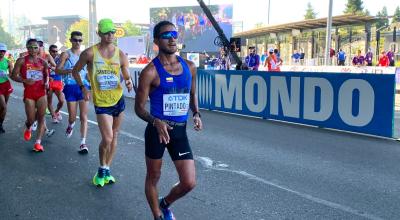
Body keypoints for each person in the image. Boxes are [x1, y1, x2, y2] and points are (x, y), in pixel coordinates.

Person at [135, 20, 202, 220]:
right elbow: (138, 108)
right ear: (156, 41)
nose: (172, 38)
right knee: (153, 177)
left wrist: (196, 113)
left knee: (189, 182)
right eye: (166, 35)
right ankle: (157, 214)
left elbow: (192, 94)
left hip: (179, 131)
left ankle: (165, 203)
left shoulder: (189, 67)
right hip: (157, 132)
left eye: (174, 34)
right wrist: (156, 121)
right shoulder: (150, 72)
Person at [71, 19, 133, 187]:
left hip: (118, 99)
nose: (110, 35)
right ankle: (101, 165)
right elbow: (75, 71)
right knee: (107, 138)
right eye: (106, 32)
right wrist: (83, 87)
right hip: (102, 102)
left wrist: (128, 80)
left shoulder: (120, 53)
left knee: (115, 136)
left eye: (112, 32)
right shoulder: (90, 53)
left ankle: (106, 168)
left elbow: (125, 69)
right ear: (99, 33)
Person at [11, 38, 49, 152]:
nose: (33, 49)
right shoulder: (21, 61)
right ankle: (28, 127)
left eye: (35, 47)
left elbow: (46, 76)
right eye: (31, 47)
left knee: (41, 117)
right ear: (27, 48)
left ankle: (38, 143)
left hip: (41, 93)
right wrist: (25, 80)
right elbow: (13, 75)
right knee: (31, 120)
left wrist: (47, 83)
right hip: (29, 93)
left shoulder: (43, 62)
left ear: (39, 49)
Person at [56, 31, 90, 154]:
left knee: (83, 116)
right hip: (70, 87)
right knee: (72, 117)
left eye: (80, 40)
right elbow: (57, 70)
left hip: (83, 87)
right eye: (75, 40)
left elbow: (88, 72)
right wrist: (68, 71)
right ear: (70, 40)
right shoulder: (66, 54)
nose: (77, 42)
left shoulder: (85, 55)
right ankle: (70, 125)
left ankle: (83, 143)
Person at [47, 45, 64, 123]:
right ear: (49, 51)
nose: (55, 53)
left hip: (57, 81)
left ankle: (56, 111)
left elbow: (62, 69)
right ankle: (53, 116)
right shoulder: (46, 59)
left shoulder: (60, 59)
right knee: (49, 101)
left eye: (56, 51)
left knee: (61, 101)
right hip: (49, 82)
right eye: (53, 51)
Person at [0, 43, 14, 133]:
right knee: (4, 107)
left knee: (3, 107)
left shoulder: (8, 62)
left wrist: (7, 74)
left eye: (3, 51)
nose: (1, 53)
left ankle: (0, 124)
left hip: (6, 85)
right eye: (0, 51)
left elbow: (12, 75)